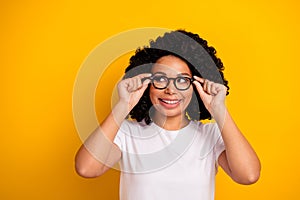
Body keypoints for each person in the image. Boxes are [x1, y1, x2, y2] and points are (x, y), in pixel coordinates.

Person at [75, 30, 261, 200]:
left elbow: (248, 175)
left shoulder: (210, 135)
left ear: (196, 85)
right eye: (161, 79)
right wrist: (124, 105)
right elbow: (86, 168)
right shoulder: (126, 133)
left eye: (182, 80)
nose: (171, 90)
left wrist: (219, 110)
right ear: (147, 83)